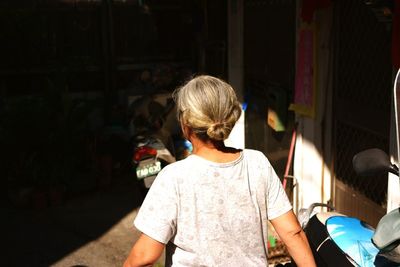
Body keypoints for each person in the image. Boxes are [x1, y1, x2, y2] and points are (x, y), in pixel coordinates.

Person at [123, 75, 316, 267]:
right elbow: (293, 233)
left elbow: (143, 257)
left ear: (185, 124)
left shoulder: (174, 177)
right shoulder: (257, 163)